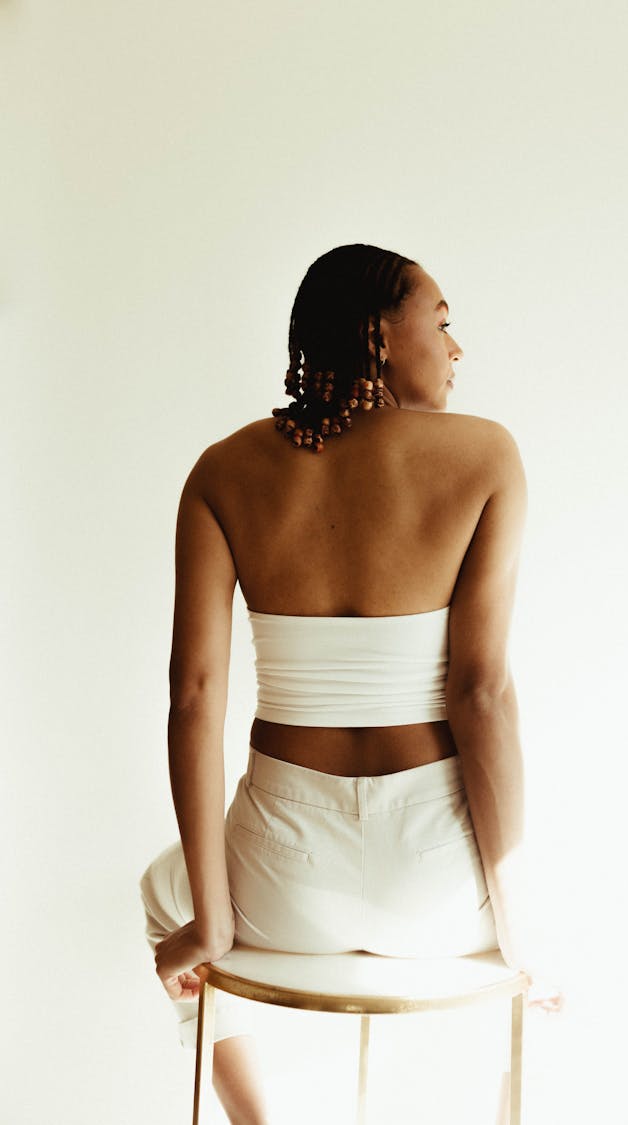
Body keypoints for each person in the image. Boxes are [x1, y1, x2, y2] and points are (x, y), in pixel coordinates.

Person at [139, 243, 562, 1124]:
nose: (456, 349)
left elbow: (194, 696)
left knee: (162, 888)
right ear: (378, 334)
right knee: (558, 925)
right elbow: (480, 694)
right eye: (441, 322)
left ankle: (257, 1119)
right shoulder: (485, 455)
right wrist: (520, 928)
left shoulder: (225, 470)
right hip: (439, 887)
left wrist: (214, 922)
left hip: (280, 881)